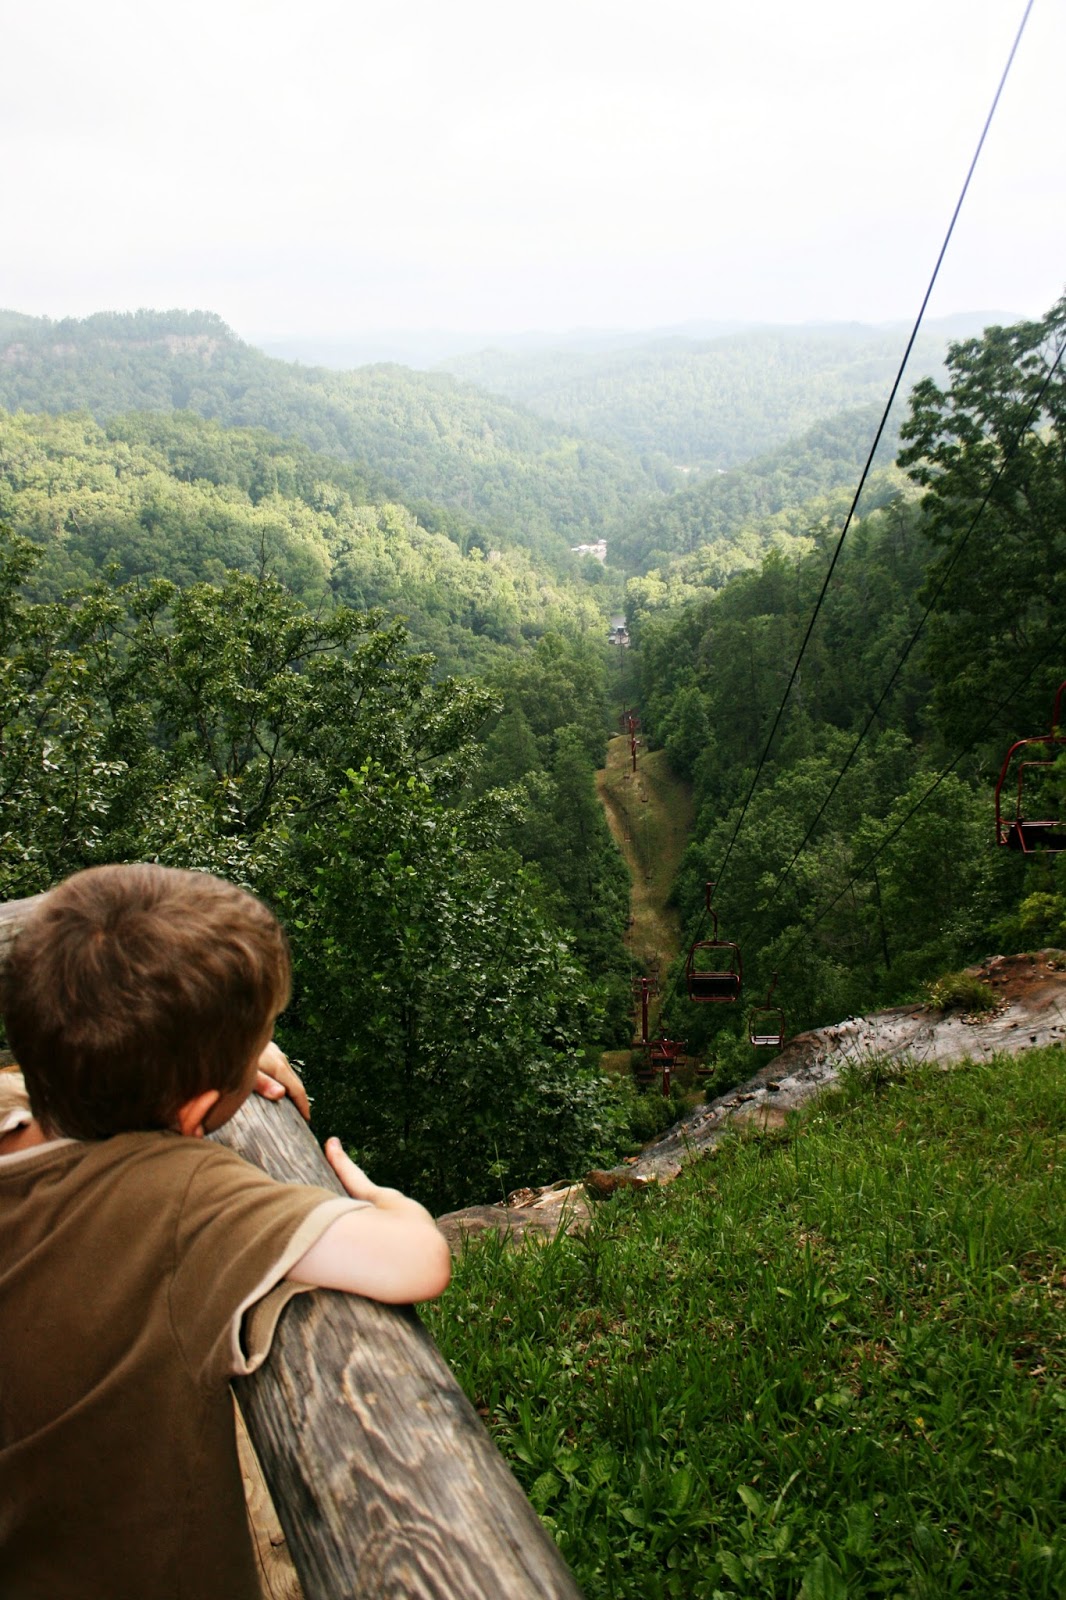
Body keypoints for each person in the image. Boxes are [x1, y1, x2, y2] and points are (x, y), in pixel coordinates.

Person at [0, 862, 451, 1600]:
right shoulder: (181, 1201)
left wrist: (220, 1054)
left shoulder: (15, 1107)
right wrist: (385, 1201)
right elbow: (416, 1262)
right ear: (195, 1112)